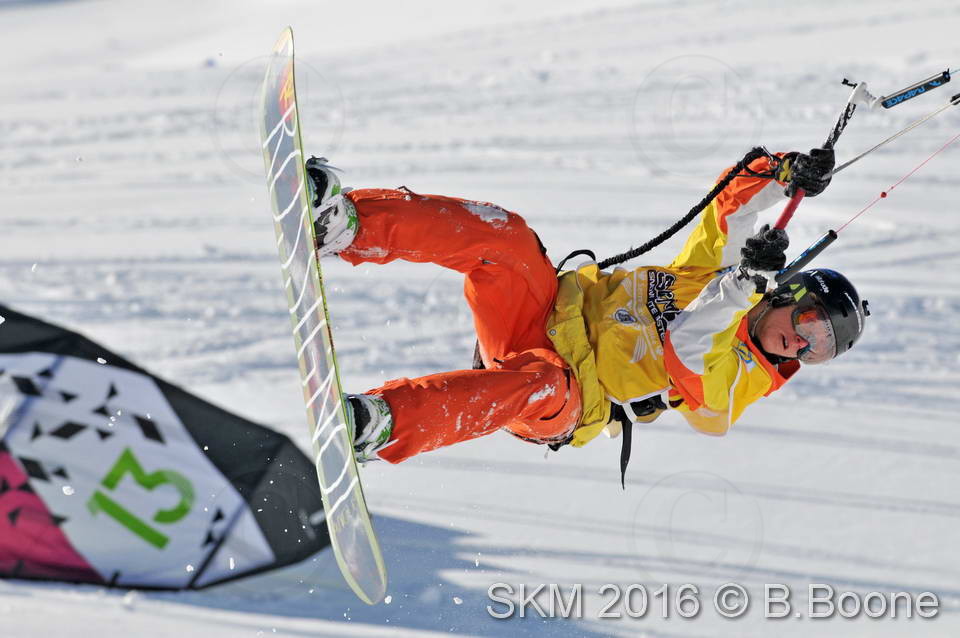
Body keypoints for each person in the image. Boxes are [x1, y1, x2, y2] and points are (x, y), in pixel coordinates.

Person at [303, 148, 869, 470]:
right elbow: (728, 209)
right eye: (812, 325)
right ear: (791, 296)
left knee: (543, 383)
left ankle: (382, 424)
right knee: (510, 239)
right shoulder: (714, 276)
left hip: (573, 398)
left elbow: (689, 352)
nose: (803, 345)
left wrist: (743, 285)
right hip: (545, 315)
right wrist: (781, 175)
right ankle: (346, 225)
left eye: (820, 351)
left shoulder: (744, 381)